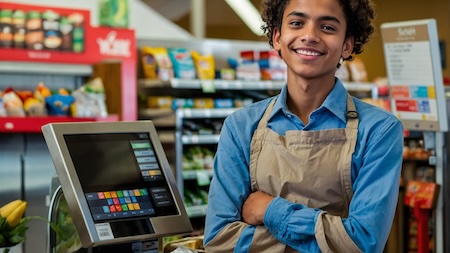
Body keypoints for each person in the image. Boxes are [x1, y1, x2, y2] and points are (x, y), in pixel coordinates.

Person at [204, 0, 404, 252]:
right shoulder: (241, 126)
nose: (309, 36)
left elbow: (362, 243)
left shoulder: (379, 130)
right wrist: (329, 237)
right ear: (277, 37)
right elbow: (219, 239)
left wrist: (269, 210)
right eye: (297, 23)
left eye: (328, 27)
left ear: (347, 45)